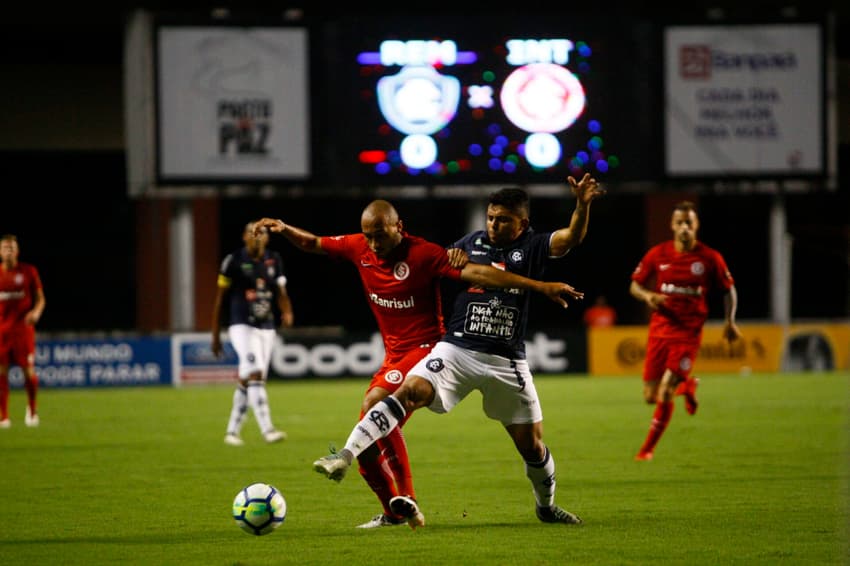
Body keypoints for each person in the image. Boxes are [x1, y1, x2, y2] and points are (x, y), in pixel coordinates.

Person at [253, 198, 585, 529]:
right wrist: (283, 229)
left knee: (531, 445)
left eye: (380, 235)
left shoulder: (427, 253)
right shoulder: (377, 246)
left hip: (450, 350)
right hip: (448, 350)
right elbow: (313, 243)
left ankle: (546, 506)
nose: (373, 243)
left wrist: (542, 286)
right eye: (368, 235)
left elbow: (484, 271)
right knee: (375, 425)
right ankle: (392, 507)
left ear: (399, 227)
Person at [629, 200, 741, 461]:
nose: (684, 228)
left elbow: (729, 290)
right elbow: (634, 285)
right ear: (672, 225)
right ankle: (687, 385)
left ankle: (646, 450)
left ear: (696, 225)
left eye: (689, 223)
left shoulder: (710, 258)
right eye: (680, 223)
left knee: (666, 389)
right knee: (650, 396)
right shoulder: (658, 254)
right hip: (659, 330)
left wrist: (730, 321)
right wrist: (647, 297)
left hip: (687, 333)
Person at [211, 222, 293, 446]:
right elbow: (220, 299)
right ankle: (268, 430)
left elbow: (281, 291)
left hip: (266, 327)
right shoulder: (233, 261)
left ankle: (232, 431)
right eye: (252, 232)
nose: (257, 236)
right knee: (255, 372)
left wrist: (287, 311)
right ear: (244, 237)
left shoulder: (274, 259)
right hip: (241, 326)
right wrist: (215, 335)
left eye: (262, 232)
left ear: (267, 238)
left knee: (251, 379)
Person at [0, 234, 46, 428]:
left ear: (17, 251)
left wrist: (36, 312)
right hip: (1, 332)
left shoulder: (28, 271)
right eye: (5, 247)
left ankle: (32, 409)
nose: (8, 251)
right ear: (0, 251)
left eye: (11, 247)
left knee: (28, 371)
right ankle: (4, 416)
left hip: (22, 330)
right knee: (1, 372)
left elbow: (41, 298)